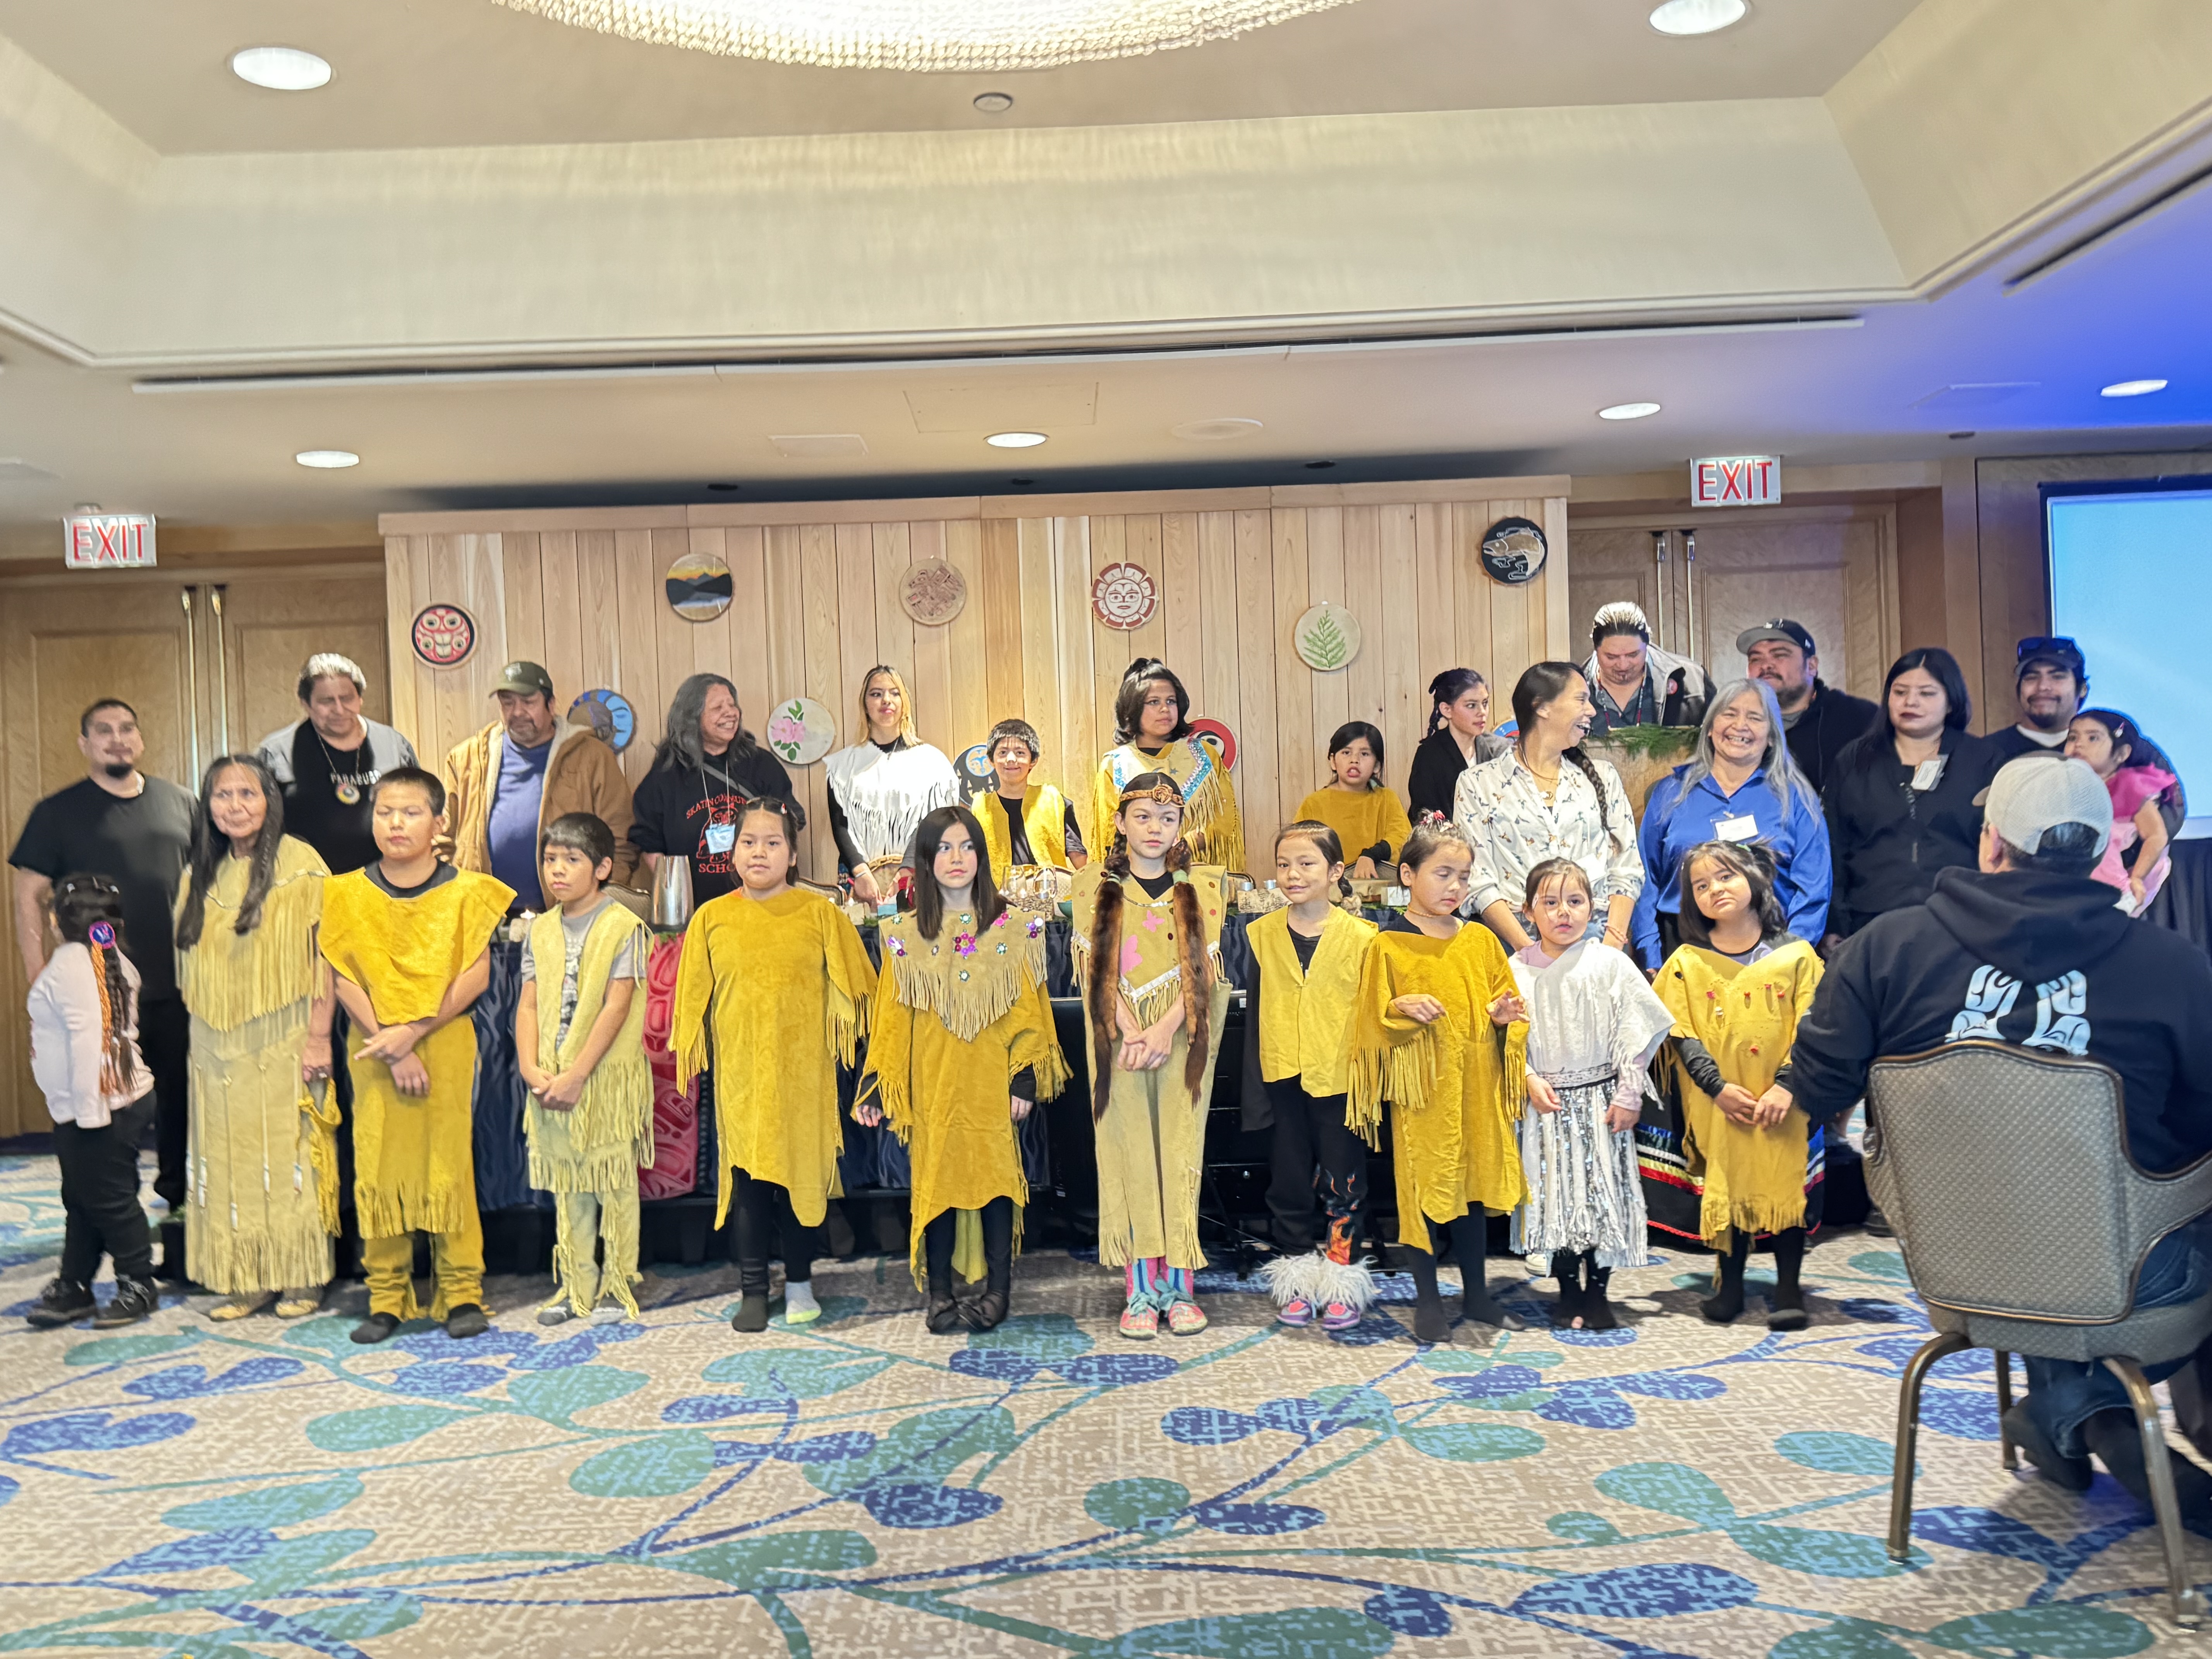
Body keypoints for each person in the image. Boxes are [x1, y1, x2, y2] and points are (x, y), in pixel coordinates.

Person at [1790, 756, 2212, 1520]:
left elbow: (1816, 1090)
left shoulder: (1882, 951)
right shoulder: (2175, 967)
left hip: (1957, 1267)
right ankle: (2096, 1411)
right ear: (2102, 851)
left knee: (2043, 1222)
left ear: (1989, 844)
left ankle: (2080, 1410)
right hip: (2131, 1277)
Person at [855, 805, 1066, 1333]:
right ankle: (941, 1293)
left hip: (991, 1081)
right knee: (937, 1182)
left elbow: (1030, 1012)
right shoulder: (903, 935)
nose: (957, 858)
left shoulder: (1016, 929)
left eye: (967, 847)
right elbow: (891, 1019)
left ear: (982, 856)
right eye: (945, 848)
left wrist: (1023, 1077)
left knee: (996, 1181)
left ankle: (999, 1291)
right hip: (934, 1084)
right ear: (927, 860)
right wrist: (879, 1085)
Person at [320, 768, 513, 1344]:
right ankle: (386, 1295)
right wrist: (390, 1041)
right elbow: (342, 976)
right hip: (373, 1046)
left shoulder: (469, 891)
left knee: (448, 1164)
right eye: (385, 813)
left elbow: (476, 976)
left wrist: (415, 1032)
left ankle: (461, 1291)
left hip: (445, 1040)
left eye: (410, 813)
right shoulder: (344, 893)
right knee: (380, 1164)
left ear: (439, 821)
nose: (396, 824)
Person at [672, 796, 877, 1334]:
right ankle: (753, 1289)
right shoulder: (712, 918)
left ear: (792, 856)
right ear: (732, 853)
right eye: (748, 842)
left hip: (805, 1077)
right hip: (742, 1078)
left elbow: (863, 990)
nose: (759, 852)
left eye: (772, 843)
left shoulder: (820, 914)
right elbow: (690, 999)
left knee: (799, 1181)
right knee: (750, 1185)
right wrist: (691, 1050)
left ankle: (802, 1283)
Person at [11, 699, 197, 1245]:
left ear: (140, 738)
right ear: (85, 744)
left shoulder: (180, 802)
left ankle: (178, 1207)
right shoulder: (56, 812)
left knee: (179, 1103)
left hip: (177, 985)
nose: (118, 739)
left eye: (126, 729)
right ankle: (112, 1216)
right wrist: (38, 975)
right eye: (104, 731)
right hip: (98, 993)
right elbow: (27, 895)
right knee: (107, 1109)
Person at [1346, 819, 1528, 1343]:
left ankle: (1477, 1295)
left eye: (1464, 877)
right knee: (1424, 1191)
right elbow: (1370, 1021)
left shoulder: (1481, 940)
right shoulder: (1388, 945)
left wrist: (1505, 1017)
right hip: (1422, 1093)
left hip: (1476, 1086)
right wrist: (1399, 1007)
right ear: (1408, 875)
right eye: (1442, 874)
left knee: (1471, 1189)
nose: (1455, 887)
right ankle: (1428, 1299)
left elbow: (1510, 1007)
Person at [172, 755, 337, 1321]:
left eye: (248, 794)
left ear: (270, 801)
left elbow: (326, 958)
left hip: (285, 1035)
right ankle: (247, 1276)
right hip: (216, 1044)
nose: (236, 807)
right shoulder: (199, 874)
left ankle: (299, 1275)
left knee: (289, 1152)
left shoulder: (302, 864)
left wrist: (319, 1037)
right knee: (226, 1157)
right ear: (208, 807)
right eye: (223, 796)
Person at [1071, 772, 1235, 1340]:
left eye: (1168, 819)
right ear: (1120, 823)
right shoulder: (1092, 886)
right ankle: (1140, 1289)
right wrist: (1130, 1030)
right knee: (1130, 1151)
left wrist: (1165, 1031)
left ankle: (1180, 1289)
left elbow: (1206, 972)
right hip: (1118, 1038)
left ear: (1180, 826)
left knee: (1179, 1150)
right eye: (1142, 817)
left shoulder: (1205, 887)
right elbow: (1093, 969)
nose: (1155, 829)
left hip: (1182, 1039)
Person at [1649, 842, 1823, 1329]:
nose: (1715, 890)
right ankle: (1730, 1284)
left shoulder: (1796, 956)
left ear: (1754, 879)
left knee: (1784, 1183)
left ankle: (1788, 1288)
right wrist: (1717, 1088)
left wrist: (1786, 1085)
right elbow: (1680, 1032)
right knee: (1727, 1185)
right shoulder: (1688, 962)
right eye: (1701, 885)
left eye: (1725, 877)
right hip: (1723, 1102)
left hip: (1783, 1101)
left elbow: (1813, 1025)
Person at [1507, 858, 1676, 1331]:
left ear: (1593, 907)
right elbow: (1502, 1040)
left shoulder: (1610, 964)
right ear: (1528, 912)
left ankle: (1598, 1293)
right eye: (1550, 903)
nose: (1564, 912)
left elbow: (1637, 1032)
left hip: (1602, 1103)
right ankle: (1567, 1290)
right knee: (1555, 1200)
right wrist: (1527, 1077)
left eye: (1575, 901)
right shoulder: (1514, 970)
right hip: (1546, 1104)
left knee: (1603, 1198)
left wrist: (1629, 1094)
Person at [516, 812, 654, 1325]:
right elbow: (528, 1004)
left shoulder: (623, 928)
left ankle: (619, 1281)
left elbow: (617, 1008)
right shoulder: (540, 930)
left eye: (571, 860)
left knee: (613, 1182)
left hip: (604, 1082)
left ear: (601, 868)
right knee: (569, 1185)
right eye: (550, 859)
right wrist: (530, 1067)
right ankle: (577, 1285)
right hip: (551, 1078)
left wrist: (577, 1075)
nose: (557, 870)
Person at [1245, 821, 1380, 1331]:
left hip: (1340, 1079)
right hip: (1282, 1075)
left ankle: (1342, 1278)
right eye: (1284, 865)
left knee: (1345, 1181)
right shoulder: (1259, 934)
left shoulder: (1364, 937)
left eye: (1307, 864)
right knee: (1288, 1180)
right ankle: (1297, 1278)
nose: (1293, 874)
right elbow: (1253, 1017)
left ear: (1336, 871)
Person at [23, 875, 159, 1330]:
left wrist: (89, 1116)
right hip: (104, 1104)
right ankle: (75, 1284)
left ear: (56, 921)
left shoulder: (71, 966)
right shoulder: (108, 959)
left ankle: (138, 1282)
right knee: (82, 1197)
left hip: (99, 1109)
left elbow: (89, 1043)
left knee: (110, 1201)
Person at [1630, 679, 1829, 970]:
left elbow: (1814, 889)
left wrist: (1789, 958)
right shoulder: (1670, 793)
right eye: (1730, 714)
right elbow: (1644, 879)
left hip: (1772, 950)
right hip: (1682, 949)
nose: (1740, 725)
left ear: (1771, 736)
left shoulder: (1796, 798)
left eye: (1755, 718)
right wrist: (1650, 955)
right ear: (1711, 727)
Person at [1456, 663, 1642, 953]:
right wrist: (1529, 952)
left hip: (1596, 938)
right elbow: (1478, 880)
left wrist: (1612, 947)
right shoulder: (1478, 783)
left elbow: (1626, 867)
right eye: (1581, 699)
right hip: (1515, 941)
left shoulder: (1603, 776)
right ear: (1542, 707)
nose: (1591, 711)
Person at [1823, 647, 2001, 942]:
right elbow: (1833, 845)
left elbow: (2000, 846)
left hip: (1962, 919)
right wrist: (1834, 924)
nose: (1911, 702)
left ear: (1951, 702)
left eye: (1927, 693)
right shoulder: (1855, 760)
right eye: (1900, 692)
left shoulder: (1984, 759)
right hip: (1870, 921)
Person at [439, 660, 638, 910]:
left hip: (568, 917)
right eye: (508, 703)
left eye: (528, 702)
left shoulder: (593, 757)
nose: (517, 712)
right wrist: (451, 899)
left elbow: (621, 842)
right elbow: (441, 840)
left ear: (551, 705)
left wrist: (598, 908)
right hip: (482, 919)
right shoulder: (467, 759)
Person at [629, 673, 801, 906]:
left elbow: (790, 822)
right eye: (718, 708)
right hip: (697, 910)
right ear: (692, 717)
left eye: (732, 705)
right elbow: (650, 844)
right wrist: (679, 903)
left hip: (762, 904)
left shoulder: (761, 765)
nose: (730, 713)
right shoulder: (666, 775)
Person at [255, 653, 418, 876]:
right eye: (327, 701)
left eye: (347, 698)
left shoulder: (395, 745)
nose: (339, 710)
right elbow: (257, 825)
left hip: (386, 881)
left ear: (360, 699)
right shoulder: (276, 753)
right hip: (306, 882)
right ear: (306, 704)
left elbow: (418, 810)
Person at [823, 665, 960, 907]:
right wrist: (861, 872)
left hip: (919, 876)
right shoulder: (843, 765)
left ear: (904, 702)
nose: (886, 700)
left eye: (894, 693)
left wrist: (907, 870)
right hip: (861, 883)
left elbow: (936, 821)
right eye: (876, 694)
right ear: (865, 704)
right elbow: (841, 826)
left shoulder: (932, 762)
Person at [1092, 659, 1245, 872]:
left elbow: (1223, 819)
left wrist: (1184, 846)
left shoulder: (1203, 755)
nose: (1165, 709)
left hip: (1197, 871)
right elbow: (1109, 832)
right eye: (1154, 702)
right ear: (1133, 708)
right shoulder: (1115, 765)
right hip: (1137, 876)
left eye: (1171, 701)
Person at [1738, 620, 1879, 796]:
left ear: (1811, 666)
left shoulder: (1859, 718)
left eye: (1780, 655)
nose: (1765, 665)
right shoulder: (1733, 725)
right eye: (1756, 659)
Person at [2067, 709, 2181, 914]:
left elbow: (2157, 836)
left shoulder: (2128, 786)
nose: (2079, 744)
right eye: (2073, 737)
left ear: (2121, 754)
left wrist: (2136, 878)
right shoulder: (2073, 786)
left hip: (2125, 880)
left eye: (2093, 738)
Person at [972, 717, 1085, 885]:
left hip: (1050, 892)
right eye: (1003, 753)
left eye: (1020, 753)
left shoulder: (1053, 800)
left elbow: (1077, 854)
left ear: (1033, 761)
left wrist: (1092, 885)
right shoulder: (981, 807)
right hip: (999, 896)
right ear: (991, 760)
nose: (1011, 759)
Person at [1296, 722, 1412, 882]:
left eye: (1365, 754)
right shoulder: (1314, 803)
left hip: (1379, 887)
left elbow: (1402, 838)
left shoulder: (1387, 798)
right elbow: (1299, 848)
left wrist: (1371, 855)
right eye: (1346, 753)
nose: (1355, 760)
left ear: (1377, 766)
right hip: (1327, 887)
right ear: (1333, 761)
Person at [1583, 602, 1710, 734]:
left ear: (1648, 644)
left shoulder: (1694, 681)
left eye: (1633, 655)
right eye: (1611, 657)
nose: (1623, 665)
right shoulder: (1575, 687)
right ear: (1596, 649)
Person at [1406, 669, 1509, 825]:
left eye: (1485, 703)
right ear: (1447, 710)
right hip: (1448, 839)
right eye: (1471, 705)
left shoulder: (1500, 750)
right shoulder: (1429, 755)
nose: (1482, 712)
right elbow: (1425, 816)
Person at [1986, 636, 2089, 765]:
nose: (2043, 687)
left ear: (2083, 689)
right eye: (2031, 677)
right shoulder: (1986, 754)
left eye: (2057, 677)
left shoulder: (2102, 753)